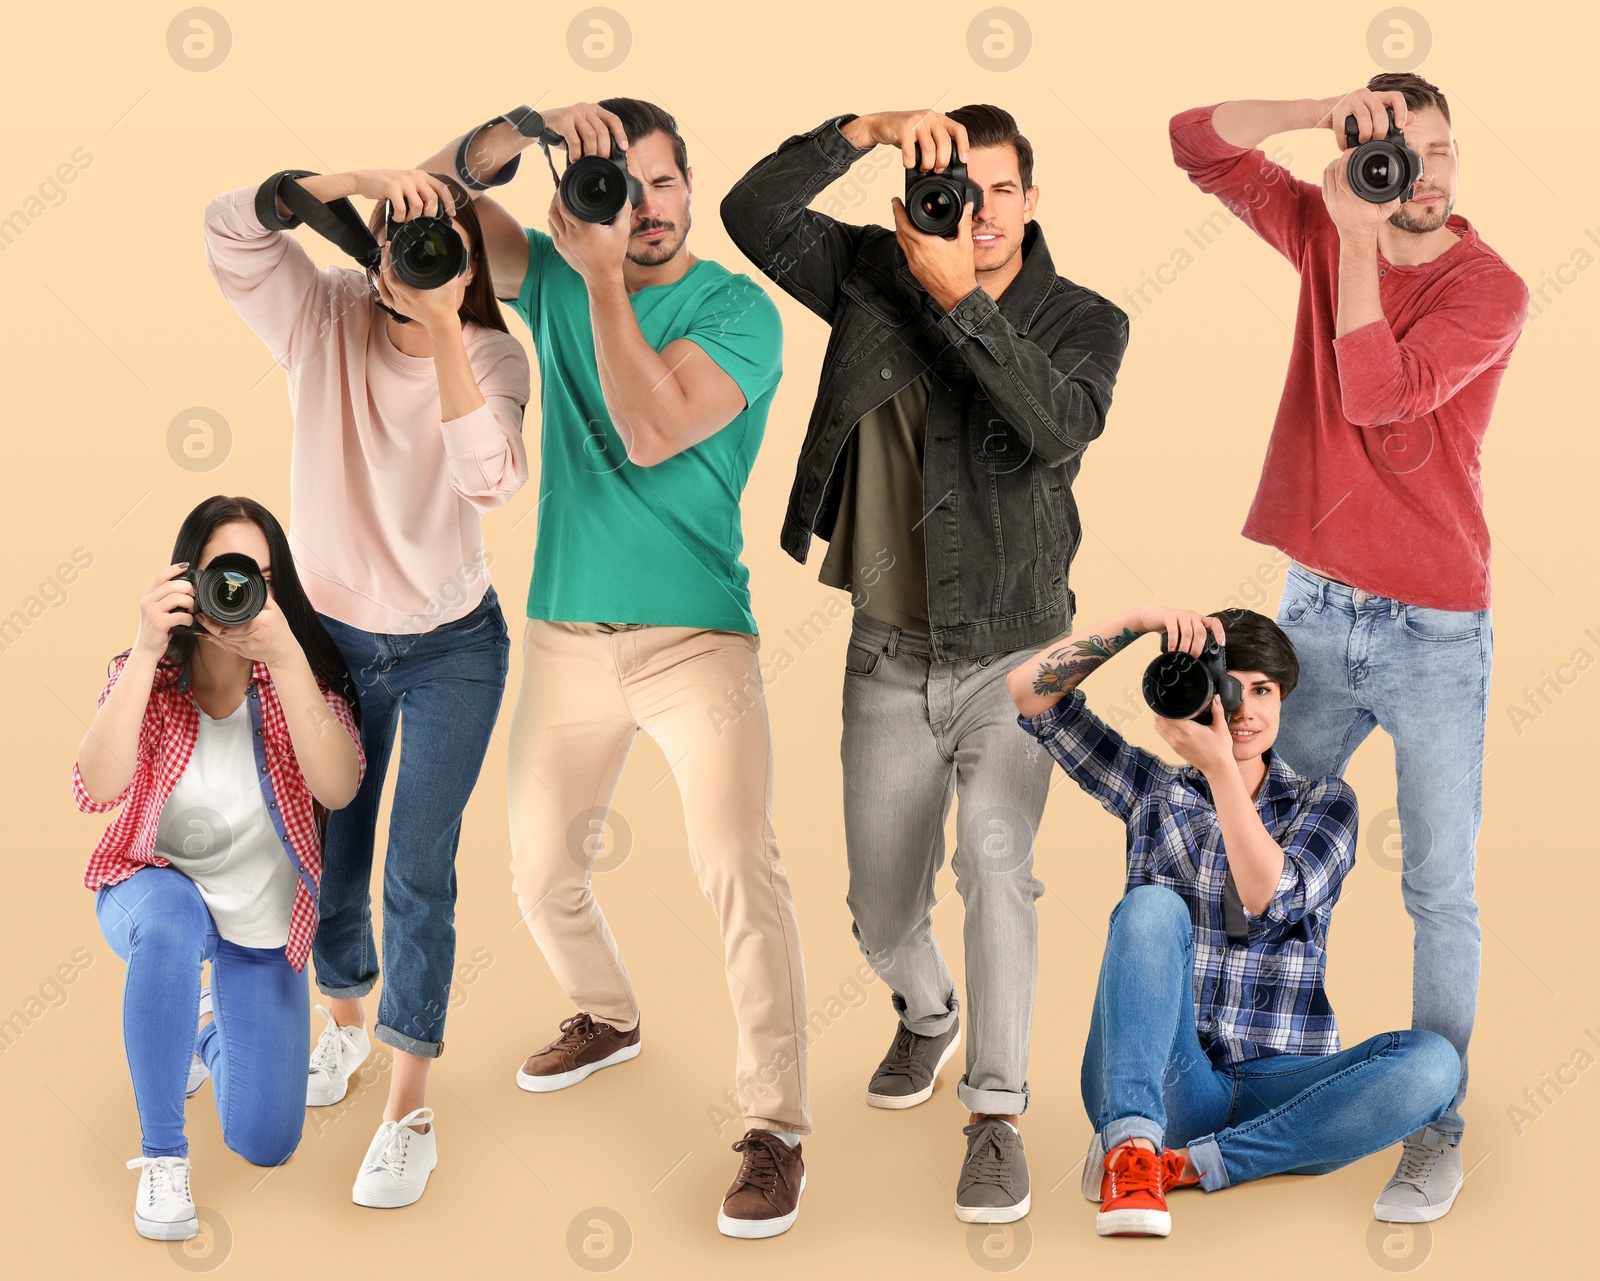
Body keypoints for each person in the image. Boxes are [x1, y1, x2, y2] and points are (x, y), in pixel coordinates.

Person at [720, 105, 1128, 1222]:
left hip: (1021, 656)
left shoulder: (1087, 318)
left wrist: (960, 295)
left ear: (1031, 200)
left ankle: (994, 1116)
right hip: (887, 653)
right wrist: (861, 129)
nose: (978, 212)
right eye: (955, 186)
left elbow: (1056, 427)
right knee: (879, 911)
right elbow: (749, 211)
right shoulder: (866, 270)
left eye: (1000, 190)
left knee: (998, 866)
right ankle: (928, 1012)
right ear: (913, 194)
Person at [414, 99, 809, 1238]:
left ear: (689, 187)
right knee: (536, 874)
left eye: (661, 184)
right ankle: (607, 1013)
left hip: (697, 637)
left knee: (738, 863)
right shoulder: (541, 267)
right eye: (613, 185)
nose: (639, 208)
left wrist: (588, 280)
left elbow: (647, 428)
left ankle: (775, 1129)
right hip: (563, 634)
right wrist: (517, 126)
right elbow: (424, 197)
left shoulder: (737, 311)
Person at [1169, 72, 1529, 1221]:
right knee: (1256, 846)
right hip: (1316, 611)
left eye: (1432, 152)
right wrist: (1323, 112)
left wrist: (1356, 233)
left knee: (1437, 887)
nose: (1413, 174)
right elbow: (1195, 142)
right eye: (1390, 149)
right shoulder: (1330, 221)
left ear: (1459, 161)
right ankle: (1241, 1077)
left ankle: (1434, 1126)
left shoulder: (1490, 288)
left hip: (1432, 629)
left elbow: (1377, 396)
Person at [203, 164, 530, 1207]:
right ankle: (343, 1030)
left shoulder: (488, 354)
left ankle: (409, 1108)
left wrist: (440, 327)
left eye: (446, 244)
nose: (420, 256)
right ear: (372, 245)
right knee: (330, 861)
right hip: (333, 643)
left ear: (473, 265)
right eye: (403, 237)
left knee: (415, 872)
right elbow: (227, 232)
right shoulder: (325, 315)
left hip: (451, 650)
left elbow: (495, 480)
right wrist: (327, 186)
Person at [1006, 604, 1459, 1238]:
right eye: (1228, 687)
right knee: (1151, 905)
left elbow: (1268, 900)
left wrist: (1222, 769)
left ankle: (1189, 1165)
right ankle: (1132, 1149)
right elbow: (1032, 691)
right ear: (1192, 694)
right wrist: (1138, 624)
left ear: (1284, 699)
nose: (1242, 709)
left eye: (1264, 690)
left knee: (1435, 1065)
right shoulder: (1151, 789)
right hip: (1169, 1076)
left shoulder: (1325, 802)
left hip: (1287, 1087)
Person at [73, 496, 365, 1242]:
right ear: (187, 580)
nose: (236, 594)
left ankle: (199, 1028)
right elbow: (95, 786)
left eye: (257, 577)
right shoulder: (151, 677)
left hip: (259, 926)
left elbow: (338, 786)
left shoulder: (302, 680)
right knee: (173, 916)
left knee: (267, 1139)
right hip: (150, 891)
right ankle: (163, 1155)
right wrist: (144, 648)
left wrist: (288, 655)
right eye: (222, 575)